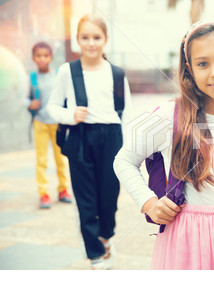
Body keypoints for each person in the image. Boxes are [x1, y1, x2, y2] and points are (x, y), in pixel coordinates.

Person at [114, 17, 214, 270]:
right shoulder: (169, 116)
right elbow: (123, 160)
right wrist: (148, 202)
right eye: (203, 63)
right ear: (189, 68)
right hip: (186, 244)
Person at [47, 15, 132, 269]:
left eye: (97, 37)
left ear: (105, 40)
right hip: (81, 137)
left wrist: (130, 148)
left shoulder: (116, 73)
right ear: (77, 40)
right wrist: (69, 115)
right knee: (85, 199)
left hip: (112, 138)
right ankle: (95, 255)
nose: (91, 43)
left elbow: (126, 112)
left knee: (109, 197)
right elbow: (52, 107)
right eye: (85, 37)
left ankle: (106, 236)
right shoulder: (67, 71)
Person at [28, 42, 71, 209]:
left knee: (61, 159)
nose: (42, 59)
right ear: (33, 58)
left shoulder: (58, 75)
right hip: (40, 123)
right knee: (42, 160)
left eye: (45, 55)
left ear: (51, 57)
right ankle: (44, 194)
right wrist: (29, 103)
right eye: (38, 56)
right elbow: (23, 97)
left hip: (57, 124)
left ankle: (63, 190)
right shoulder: (31, 78)